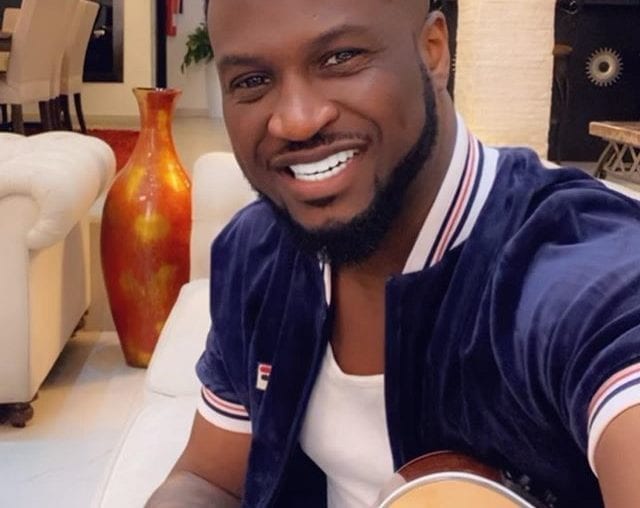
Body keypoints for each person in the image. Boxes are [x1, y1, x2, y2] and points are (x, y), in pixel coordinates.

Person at [147, 0, 640, 506]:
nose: (295, 121)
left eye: (340, 58)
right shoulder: (257, 252)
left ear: (433, 50)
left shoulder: (582, 275)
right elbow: (207, 479)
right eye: (252, 81)